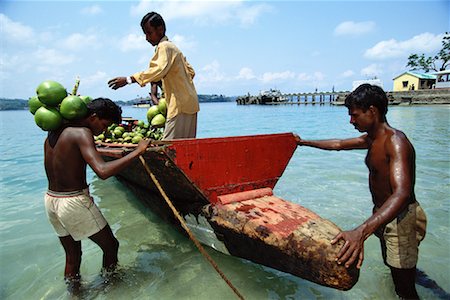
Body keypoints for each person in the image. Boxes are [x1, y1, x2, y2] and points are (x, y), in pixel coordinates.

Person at [295, 84, 426, 299]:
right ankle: (425, 282)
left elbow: (401, 194)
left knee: (405, 290)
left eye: (354, 115)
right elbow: (338, 143)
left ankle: (419, 283)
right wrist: (303, 143)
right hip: (383, 215)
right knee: (394, 267)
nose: (351, 121)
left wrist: (361, 232)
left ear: (372, 111)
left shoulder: (395, 142)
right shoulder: (372, 139)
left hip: (400, 218)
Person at [44, 98, 150, 291]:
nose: (104, 130)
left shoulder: (56, 129)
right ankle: (111, 288)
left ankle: (75, 294)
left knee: (73, 255)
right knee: (111, 246)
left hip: (51, 200)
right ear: (93, 117)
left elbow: (74, 156)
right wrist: (138, 152)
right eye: (104, 124)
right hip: (73, 201)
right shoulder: (82, 133)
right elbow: (102, 171)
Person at [108, 11, 199, 139]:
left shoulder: (164, 46)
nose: (147, 38)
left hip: (179, 105)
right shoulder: (174, 48)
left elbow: (158, 70)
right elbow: (191, 72)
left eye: (149, 33)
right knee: (186, 146)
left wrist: (129, 79)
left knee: (169, 147)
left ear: (160, 29)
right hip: (190, 102)